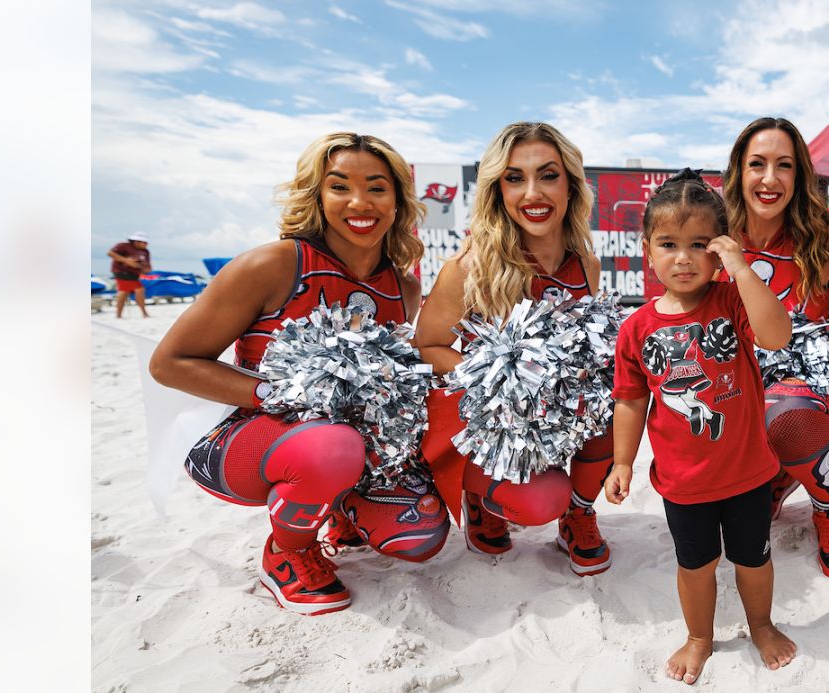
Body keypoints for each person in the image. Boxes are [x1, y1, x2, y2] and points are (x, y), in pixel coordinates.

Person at [149, 133, 449, 615]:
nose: (359, 202)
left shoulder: (404, 286)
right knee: (330, 446)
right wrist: (285, 392)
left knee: (418, 535)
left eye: (377, 187)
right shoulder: (272, 264)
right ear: (317, 195)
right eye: (339, 187)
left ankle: (341, 509)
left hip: (346, 443)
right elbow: (170, 363)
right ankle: (287, 552)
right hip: (244, 438)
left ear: (397, 201)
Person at [604, 170, 796, 684]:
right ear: (647, 250)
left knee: (754, 561)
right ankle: (700, 637)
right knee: (696, 565)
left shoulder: (731, 302)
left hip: (749, 473)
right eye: (668, 244)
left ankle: (761, 624)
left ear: (717, 249)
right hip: (684, 483)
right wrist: (623, 462)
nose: (683, 257)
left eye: (698, 245)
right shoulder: (637, 328)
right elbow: (630, 400)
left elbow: (777, 336)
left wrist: (739, 266)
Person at [414, 121, 614, 576]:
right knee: (539, 501)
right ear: (496, 191)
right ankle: (481, 495)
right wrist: (497, 383)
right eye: (514, 178)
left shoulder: (586, 263)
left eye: (548, 175)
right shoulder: (468, 268)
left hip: (560, 414)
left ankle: (579, 513)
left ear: (571, 186)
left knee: (624, 401)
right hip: (497, 424)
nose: (533, 193)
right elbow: (427, 345)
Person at [718, 117, 829, 578]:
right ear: (738, 172)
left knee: (795, 409)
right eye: (756, 164)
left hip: (807, 398)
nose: (769, 179)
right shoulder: (715, 238)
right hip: (733, 393)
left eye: (784, 166)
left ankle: (827, 506)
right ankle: (777, 479)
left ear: (799, 176)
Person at [107, 231, 152, 318]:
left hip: (134, 274)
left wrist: (143, 268)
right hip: (121, 271)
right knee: (138, 290)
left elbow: (148, 266)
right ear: (136, 241)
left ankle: (119, 315)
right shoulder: (123, 246)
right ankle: (144, 313)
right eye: (145, 242)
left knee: (124, 292)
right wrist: (127, 261)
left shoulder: (145, 251)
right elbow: (110, 253)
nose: (146, 244)